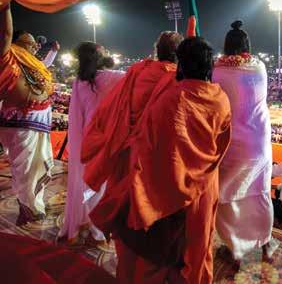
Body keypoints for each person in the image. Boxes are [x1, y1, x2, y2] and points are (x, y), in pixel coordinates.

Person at [91, 36, 232, 284]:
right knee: (196, 245)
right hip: (203, 186)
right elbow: (222, 143)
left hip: (166, 189)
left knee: (157, 255)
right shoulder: (221, 98)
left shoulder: (170, 98)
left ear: (182, 64)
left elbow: (149, 148)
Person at [81, 31, 183, 194]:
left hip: (126, 147)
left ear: (157, 50)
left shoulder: (139, 70)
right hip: (155, 153)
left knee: (122, 196)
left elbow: (112, 105)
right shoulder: (177, 78)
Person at [212, 20, 276, 263]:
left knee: (227, 197)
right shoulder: (259, 68)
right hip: (259, 143)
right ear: (247, 46)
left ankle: (234, 249)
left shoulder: (217, 72)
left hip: (232, 145)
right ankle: (266, 243)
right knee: (260, 193)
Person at [57, 42, 125, 245]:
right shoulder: (113, 77)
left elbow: (76, 113)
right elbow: (138, 78)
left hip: (86, 137)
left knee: (87, 181)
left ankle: (85, 222)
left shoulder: (80, 81)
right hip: (104, 138)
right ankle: (96, 228)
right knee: (100, 184)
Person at [0, 2, 54, 225]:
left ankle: (33, 204)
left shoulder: (33, 63)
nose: (34, 47)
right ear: (16, 43)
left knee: (38, 167)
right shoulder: (8, 55)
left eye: (34, 44)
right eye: (29, 43)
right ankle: (27, 209)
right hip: (19, 122)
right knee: (25, 170)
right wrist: (5, 6)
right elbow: (6, 32)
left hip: (38, 121)